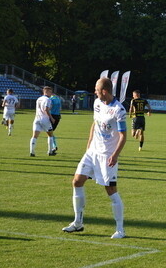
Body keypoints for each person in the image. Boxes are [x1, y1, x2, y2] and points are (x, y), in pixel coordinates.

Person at [62, 77, 127, 239]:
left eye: (97, 90)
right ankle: (78, 222)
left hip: (107, 156)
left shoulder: (119, 110)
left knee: (111, 190)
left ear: (104, 91)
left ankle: (120, 230)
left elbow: (123, 135)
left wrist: (115, 155)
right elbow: (95, 124)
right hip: (92, 152)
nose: (95, 92)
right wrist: (89, 146)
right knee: (77, 181)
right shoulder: (97, 103)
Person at [29, 86, 55, 157]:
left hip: (37, 119)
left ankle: (32, 152)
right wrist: (51, 118)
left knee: (34, 136)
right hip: (45, 120)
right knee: (50, 135)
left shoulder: (39, 99)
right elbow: (46, 109)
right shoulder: (48, 99)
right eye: (50, 91)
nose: (51, 93)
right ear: (46, 91)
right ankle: (50, 151)